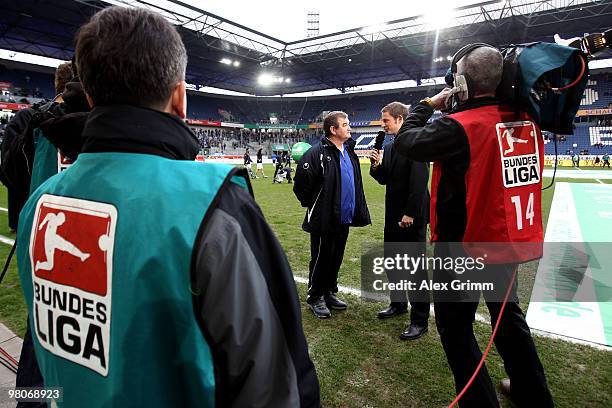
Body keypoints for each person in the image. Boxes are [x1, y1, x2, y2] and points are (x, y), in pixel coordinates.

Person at [16, 7, 319, 407]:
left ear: (89, 97)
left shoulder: (39, 202)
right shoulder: (214, 204)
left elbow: (42, 365)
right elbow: (274, 382)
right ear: (180, 97)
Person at [393, 45, 553, 407]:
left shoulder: (458, 127)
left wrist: (428, 104)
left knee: (456, 329)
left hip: (463, 246)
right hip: (507, 239)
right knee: (508, 323)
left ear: (461, 83)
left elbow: (406, 140)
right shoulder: (527, 118)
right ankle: (534, 396)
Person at [294, 111, 371, 318]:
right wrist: (316, 206)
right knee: (320, 258)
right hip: (323, 218)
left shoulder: (349, 150)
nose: (349, 128)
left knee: (335, 257)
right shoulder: (316, 153)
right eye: (345, 125)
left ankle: (328, 291)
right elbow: (301, 185)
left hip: (344, 216)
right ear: (333, 129)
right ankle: (315, 296)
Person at [369, 102, 431, 340]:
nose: (382, 124)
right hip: (393, 214)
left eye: (386, 120)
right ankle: (398, 304)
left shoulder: (415, 143)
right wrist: (376, 166)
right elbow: (385, 178)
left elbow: (419, 179)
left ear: (400, 119)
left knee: (414, 269)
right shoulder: (391, 145)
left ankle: (419, 320)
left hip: (410, 216)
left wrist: (411, 213)